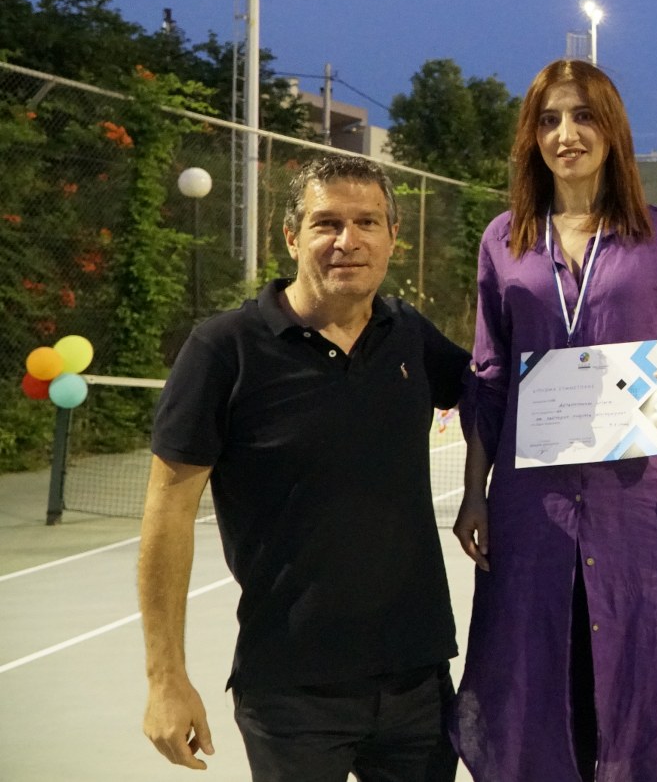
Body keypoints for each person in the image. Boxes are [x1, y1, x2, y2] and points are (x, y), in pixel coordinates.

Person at [138, 154, 470, 780]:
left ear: (393, 237)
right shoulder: (223, 349)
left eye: (367, 222)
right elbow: (168, 512)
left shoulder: (408, 333)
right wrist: (165, 679)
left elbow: (503, 396)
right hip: (289, 692)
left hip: (418, 683)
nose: (348, 240)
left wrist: (648, 381)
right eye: (327, 223)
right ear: (291, 236)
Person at [449, 59, 657, 782]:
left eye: (582, 117)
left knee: (645, 674)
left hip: (640, 506)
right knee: (537, 677)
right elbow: (487, 379)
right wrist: (475, 492)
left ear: (612, 131)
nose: (565, 134)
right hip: (532, 508)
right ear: (531, 137)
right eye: (548, 120)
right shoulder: (503, 240)